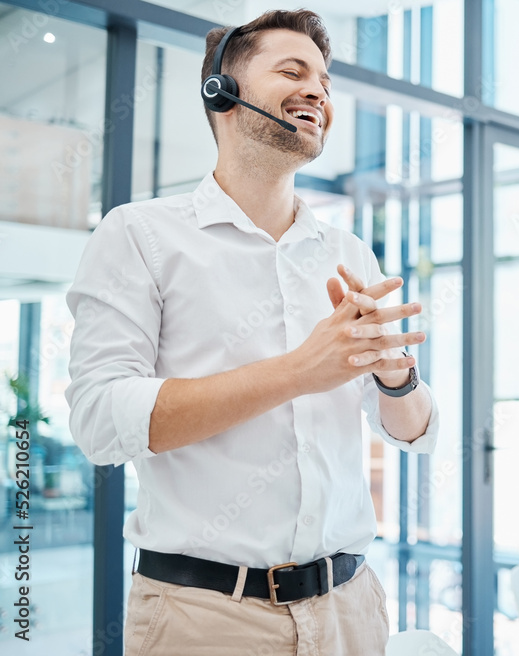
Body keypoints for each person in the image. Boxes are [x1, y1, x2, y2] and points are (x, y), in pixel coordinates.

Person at [65, 10, 438, 655]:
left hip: (351, 607)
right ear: (223, 93)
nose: (318, 90)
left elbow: (410, 432)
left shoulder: (349, 252)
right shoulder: (140, 236)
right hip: (206, 618)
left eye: (324, 79)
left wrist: (395, 376)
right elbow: (100, 421)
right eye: (292, 71)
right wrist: (300, 370)